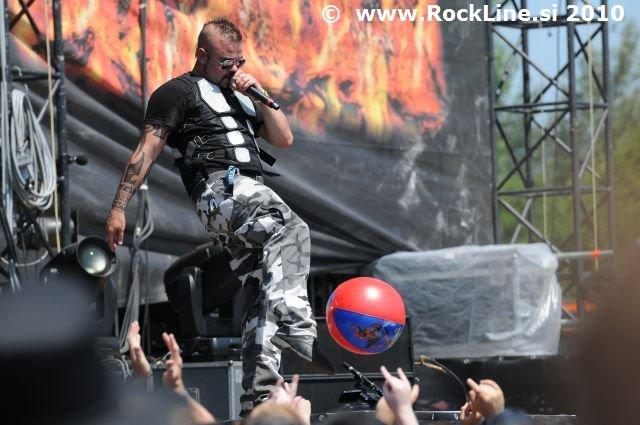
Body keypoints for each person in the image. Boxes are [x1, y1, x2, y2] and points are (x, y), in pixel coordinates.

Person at [105, 16, 332, 413]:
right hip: (220, 191)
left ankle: (259, 399)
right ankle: (296, 322)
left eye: (239, 61)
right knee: (290, 227)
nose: (234, 69)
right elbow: (146, 150)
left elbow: (284, 138)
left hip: (247, 197)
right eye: (226, 62)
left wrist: (260, 95)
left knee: (263, 289)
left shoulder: (241, 96)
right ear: (202, 56)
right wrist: (118, 207)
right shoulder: (178, 92)